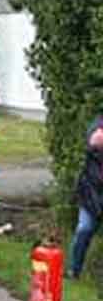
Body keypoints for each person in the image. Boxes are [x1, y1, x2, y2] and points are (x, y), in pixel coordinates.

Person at [70, 115, 103, 278]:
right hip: (92, 192)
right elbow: (95, 140)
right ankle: (73, 271)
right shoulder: (98, 123)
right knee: (84, 229)